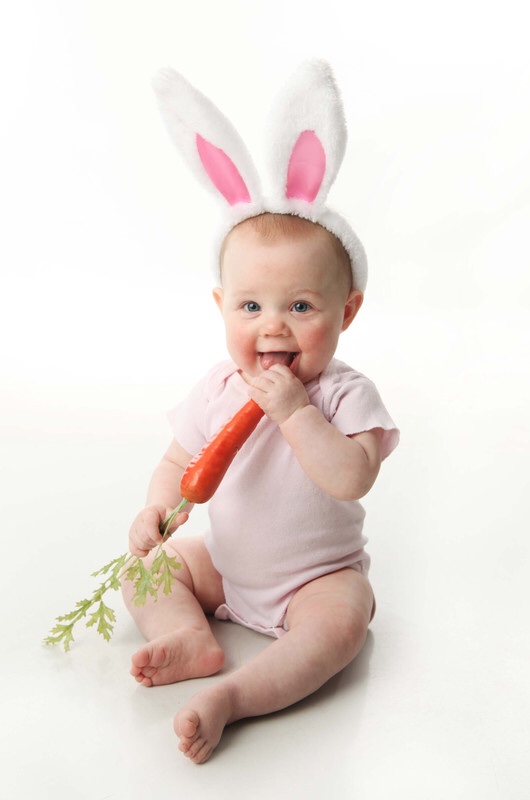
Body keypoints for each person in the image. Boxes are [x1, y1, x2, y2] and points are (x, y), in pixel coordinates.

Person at [122, 210, 399, 763]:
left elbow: (352, 479)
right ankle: (191, 639)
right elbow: (178, 460)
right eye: (251, 306)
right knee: (143, 571)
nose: (273, 326)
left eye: (300, 306)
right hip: (226, 571)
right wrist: (158, 506)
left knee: (343, 625)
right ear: (222, 306)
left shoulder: (344, 395)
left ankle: (235, 696)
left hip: (316, 580)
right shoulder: (219, 386)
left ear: (347, 311)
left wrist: (296, 414)